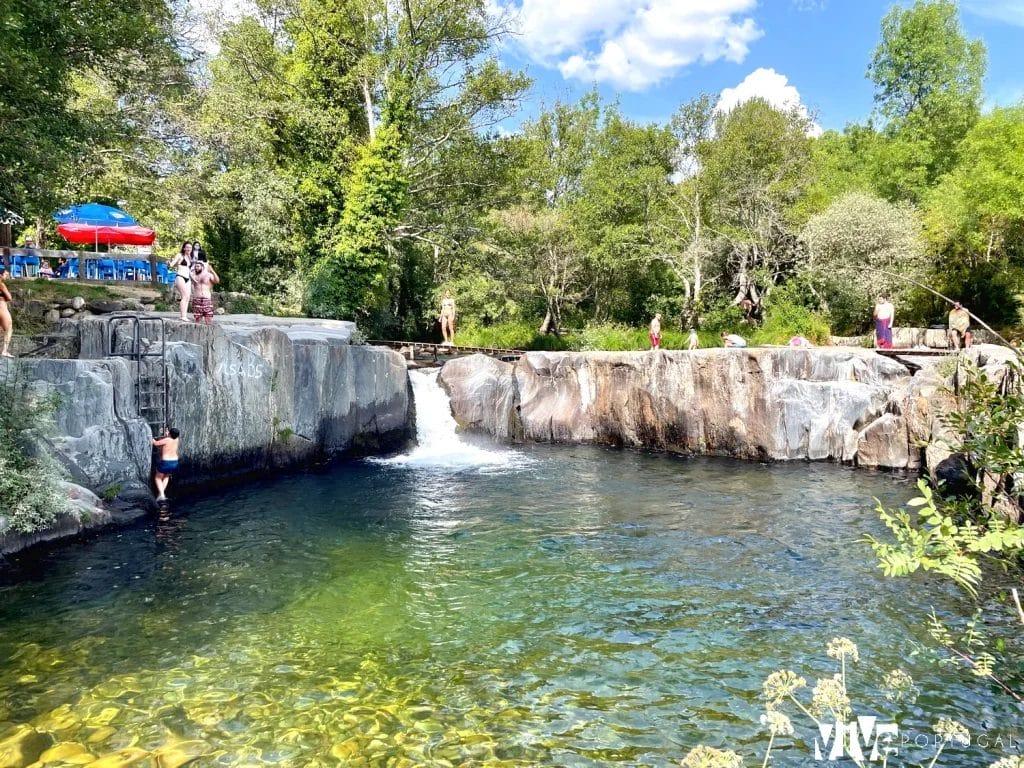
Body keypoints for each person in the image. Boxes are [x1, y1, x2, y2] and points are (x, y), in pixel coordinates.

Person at [152, 427, 180, 501]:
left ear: (170, 434)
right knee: (166, 476)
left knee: (157, 478)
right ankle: (161, 493)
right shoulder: (177, 439)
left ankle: (162, 495)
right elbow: (171, 439)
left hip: (166, 462)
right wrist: (168, 434)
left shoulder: (167, 440)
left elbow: (156, 444)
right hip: (175, 462)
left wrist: (151, 437)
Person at [169, 242, 193, 322]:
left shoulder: (190, 257)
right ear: (184, 248)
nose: (189, 249)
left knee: (188, 297)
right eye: (187, 247)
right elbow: (172, 264)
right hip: (180, 276)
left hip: (188, 278)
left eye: (190, 247)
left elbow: (190, 270)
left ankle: (184, 315)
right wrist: (169, 262)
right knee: (184, 296)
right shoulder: (179, 255)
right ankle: (183, 316)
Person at [190, 260, 220, 325]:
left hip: (207, 300)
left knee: (208, 319)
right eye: (195, 267)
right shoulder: (193, 275)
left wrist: (212, 271)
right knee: (198, 320)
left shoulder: (209, 275)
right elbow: (189, 272)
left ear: (202, 267)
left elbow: (217, 281)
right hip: (197, 300)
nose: (196, 268)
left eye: (198, 266)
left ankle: (208, 333)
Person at [0, 265, 13, 357]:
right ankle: (4, 351)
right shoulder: (1, 284)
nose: (6, 276)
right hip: (1, 307)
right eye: (5, 274)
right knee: (9, 329)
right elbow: (9, 297)